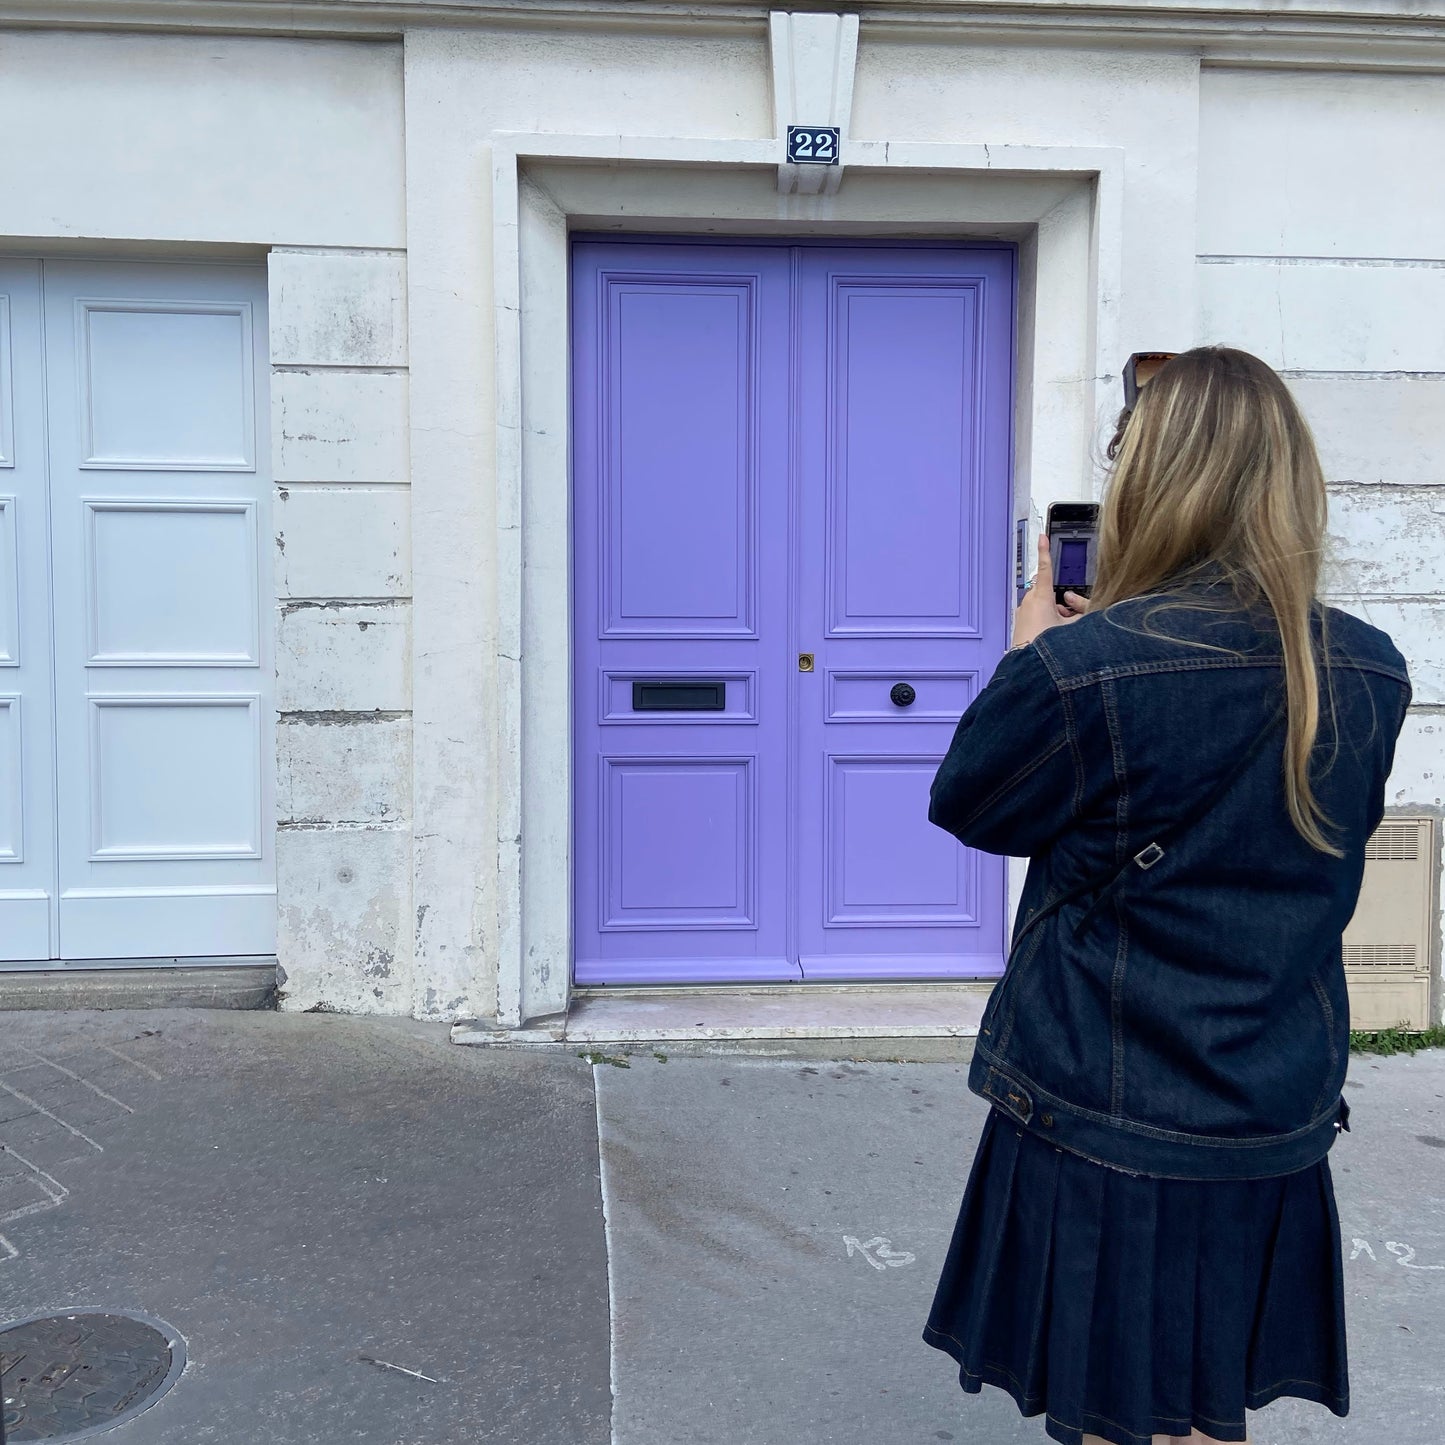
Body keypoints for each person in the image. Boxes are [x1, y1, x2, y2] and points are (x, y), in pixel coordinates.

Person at [922, 346, 1412, 1445]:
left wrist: (1026, 657)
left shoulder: (1085, 667)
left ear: (1152, 479)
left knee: (1121, 1420)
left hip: (1111, 1106)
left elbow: (971, 804)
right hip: (1264, 1104)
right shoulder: (1370, 668)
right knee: (1199, 1413)